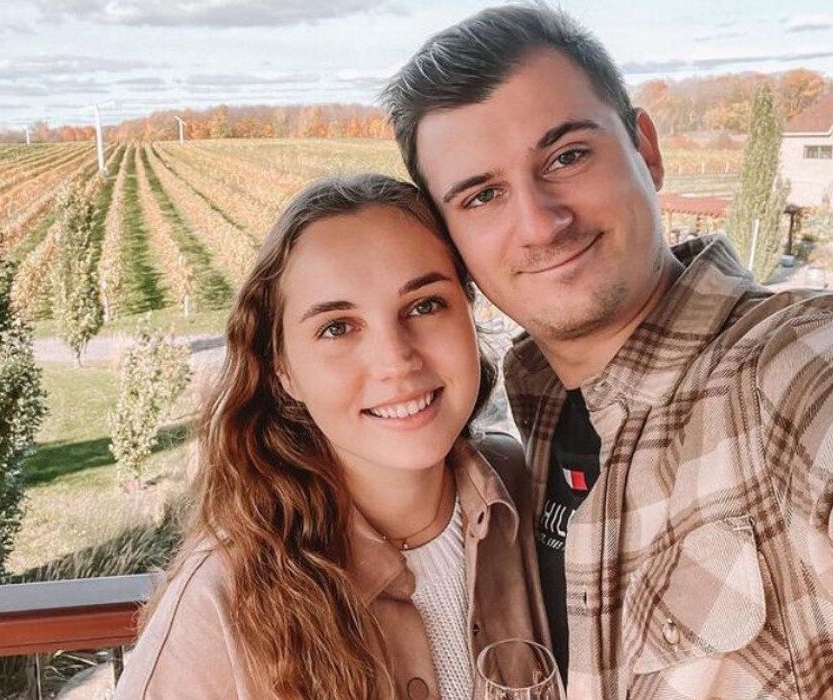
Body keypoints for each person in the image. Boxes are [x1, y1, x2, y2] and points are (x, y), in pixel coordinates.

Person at [381, 5, 833, 699]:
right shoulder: (526, 438)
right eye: (481, 196)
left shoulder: (802, 370)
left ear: (645, 151)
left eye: (566, 156)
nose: (539, 222)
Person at [114, 173, 546, 699]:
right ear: (283, 372)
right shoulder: (220, 604)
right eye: (337, 327)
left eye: (426, 304)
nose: (396, 361)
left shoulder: (530, 492)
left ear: (469, 313)